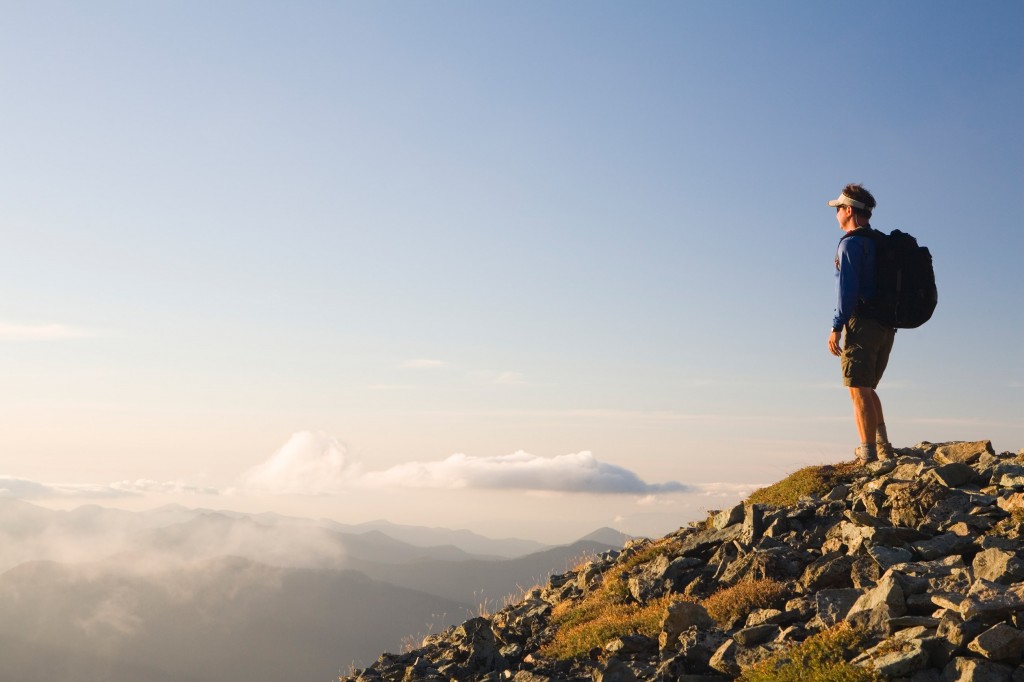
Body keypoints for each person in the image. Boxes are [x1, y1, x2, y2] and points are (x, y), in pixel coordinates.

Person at [826, 183, 896, 464]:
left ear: (848, 210)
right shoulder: (879, 243)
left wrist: (836, 326)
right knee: (867, 388)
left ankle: (867, 454)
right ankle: (884, 448)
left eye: (838, 209)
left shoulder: (851, 244)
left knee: (858, 389)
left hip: (862, 323)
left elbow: (846, 289)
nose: (835, 215)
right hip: (886, 325)